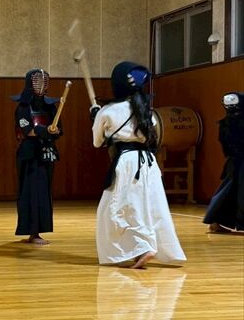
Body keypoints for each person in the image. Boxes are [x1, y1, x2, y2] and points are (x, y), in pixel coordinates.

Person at [90, 61, 186, 268]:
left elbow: (98, 143)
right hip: (148, 164)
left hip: (126, 164)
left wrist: (96, 118)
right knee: (148, 207)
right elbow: (151, 137)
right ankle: (143, 248)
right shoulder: (146, 111)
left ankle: (142, 247)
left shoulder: (107, 111)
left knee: (113, 210)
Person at [13, 69, 61, 245]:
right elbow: (28, 131)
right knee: (30, 192)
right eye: (37, 81)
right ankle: (32, 232)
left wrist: (55, 130)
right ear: (30, 83)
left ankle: (39, 231)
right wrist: (46, 130)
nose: (40, 85)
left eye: (43, 81)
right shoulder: (23, 108)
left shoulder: (50, 107)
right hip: (29, 154)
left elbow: (58, 130)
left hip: (46, 153)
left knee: (43, 192)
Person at [203, 92, 244, 233]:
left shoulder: (225, 123)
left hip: (233, 161)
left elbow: (226, 147)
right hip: (239, 161)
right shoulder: (238, 122)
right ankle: (216, 222)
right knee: (233, 192)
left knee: (229, 192)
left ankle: (215, 222)